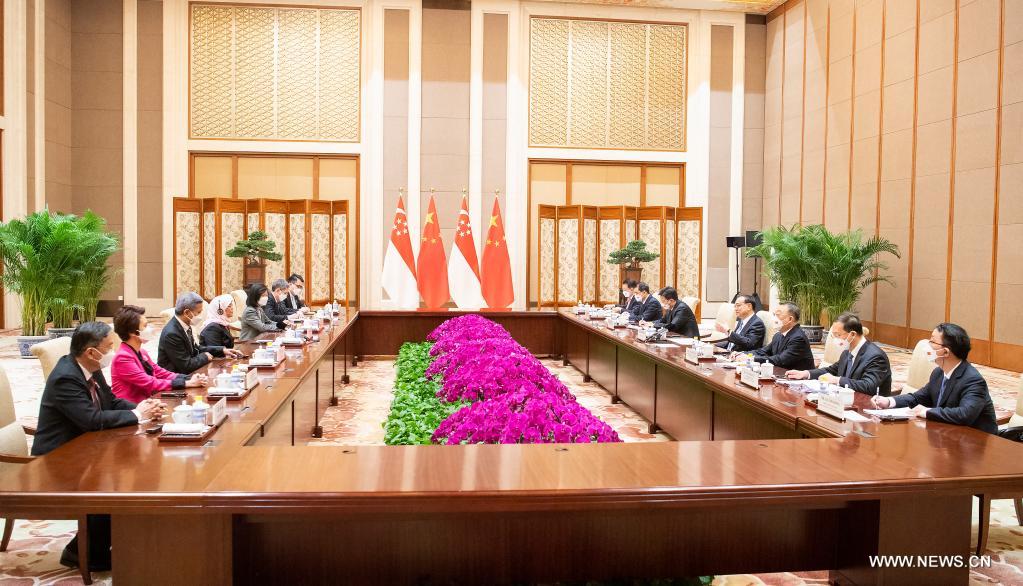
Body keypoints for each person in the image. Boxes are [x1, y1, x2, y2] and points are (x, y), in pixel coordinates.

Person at [32, 322, 167, 572]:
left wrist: (144, 408)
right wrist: (138, 415)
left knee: (133, 468)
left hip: (85, 445)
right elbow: (91, 420)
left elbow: (111, 401)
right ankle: (87, 553)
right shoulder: (65, 377)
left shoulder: (90, 368)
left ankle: (94, 545)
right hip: (57, 457)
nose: (112, 352)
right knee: (113, 479)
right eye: (108, 347)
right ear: (91, 352)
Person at [871, 323, 997, 434]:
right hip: (947, 436)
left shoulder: (973, 380)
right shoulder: (938, 373)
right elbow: (918, 398)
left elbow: (964, 414)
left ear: (945, 352)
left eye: (932, 341)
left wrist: (927, 412)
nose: (928, 345)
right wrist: (889, 401)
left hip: (975, 443)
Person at [111, 305, 207, 403]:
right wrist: (186, 383)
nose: (150, 328)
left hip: (150, 402)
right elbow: (149, 382)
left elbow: (160, 372)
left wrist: (189, 378)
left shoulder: (141, 352)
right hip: (133, 407)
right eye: (145, 326)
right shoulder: (122, 358)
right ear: (133, 332)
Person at [785, 312, 892, 395]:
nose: (835, 339)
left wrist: (838, 380)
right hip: (845, 401)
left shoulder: (875, 356)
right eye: (834, 335)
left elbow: (868, 386)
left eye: (838, 335)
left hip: (869, 406)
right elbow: (831, 370)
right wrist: (806, 373)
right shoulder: (847, 353)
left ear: (852, 334)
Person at [158, 292, 242, 373]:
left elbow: (196, 349)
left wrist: (222, 350)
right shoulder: (172, 333)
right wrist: (204, 357)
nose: (201, 316)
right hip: (175, 377)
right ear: (186, 312)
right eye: (198, 312)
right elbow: (186, 366)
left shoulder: (185, 325)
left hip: (187, 372)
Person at [749, 302, 815, 370]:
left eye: (778, 315)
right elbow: (763, 351)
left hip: (797, 375)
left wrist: (753, 359)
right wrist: (745, 355)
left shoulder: (798, 338)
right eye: (774, 315)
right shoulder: (778, 335)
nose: (774, 318)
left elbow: (780, 360)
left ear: (790, 319)